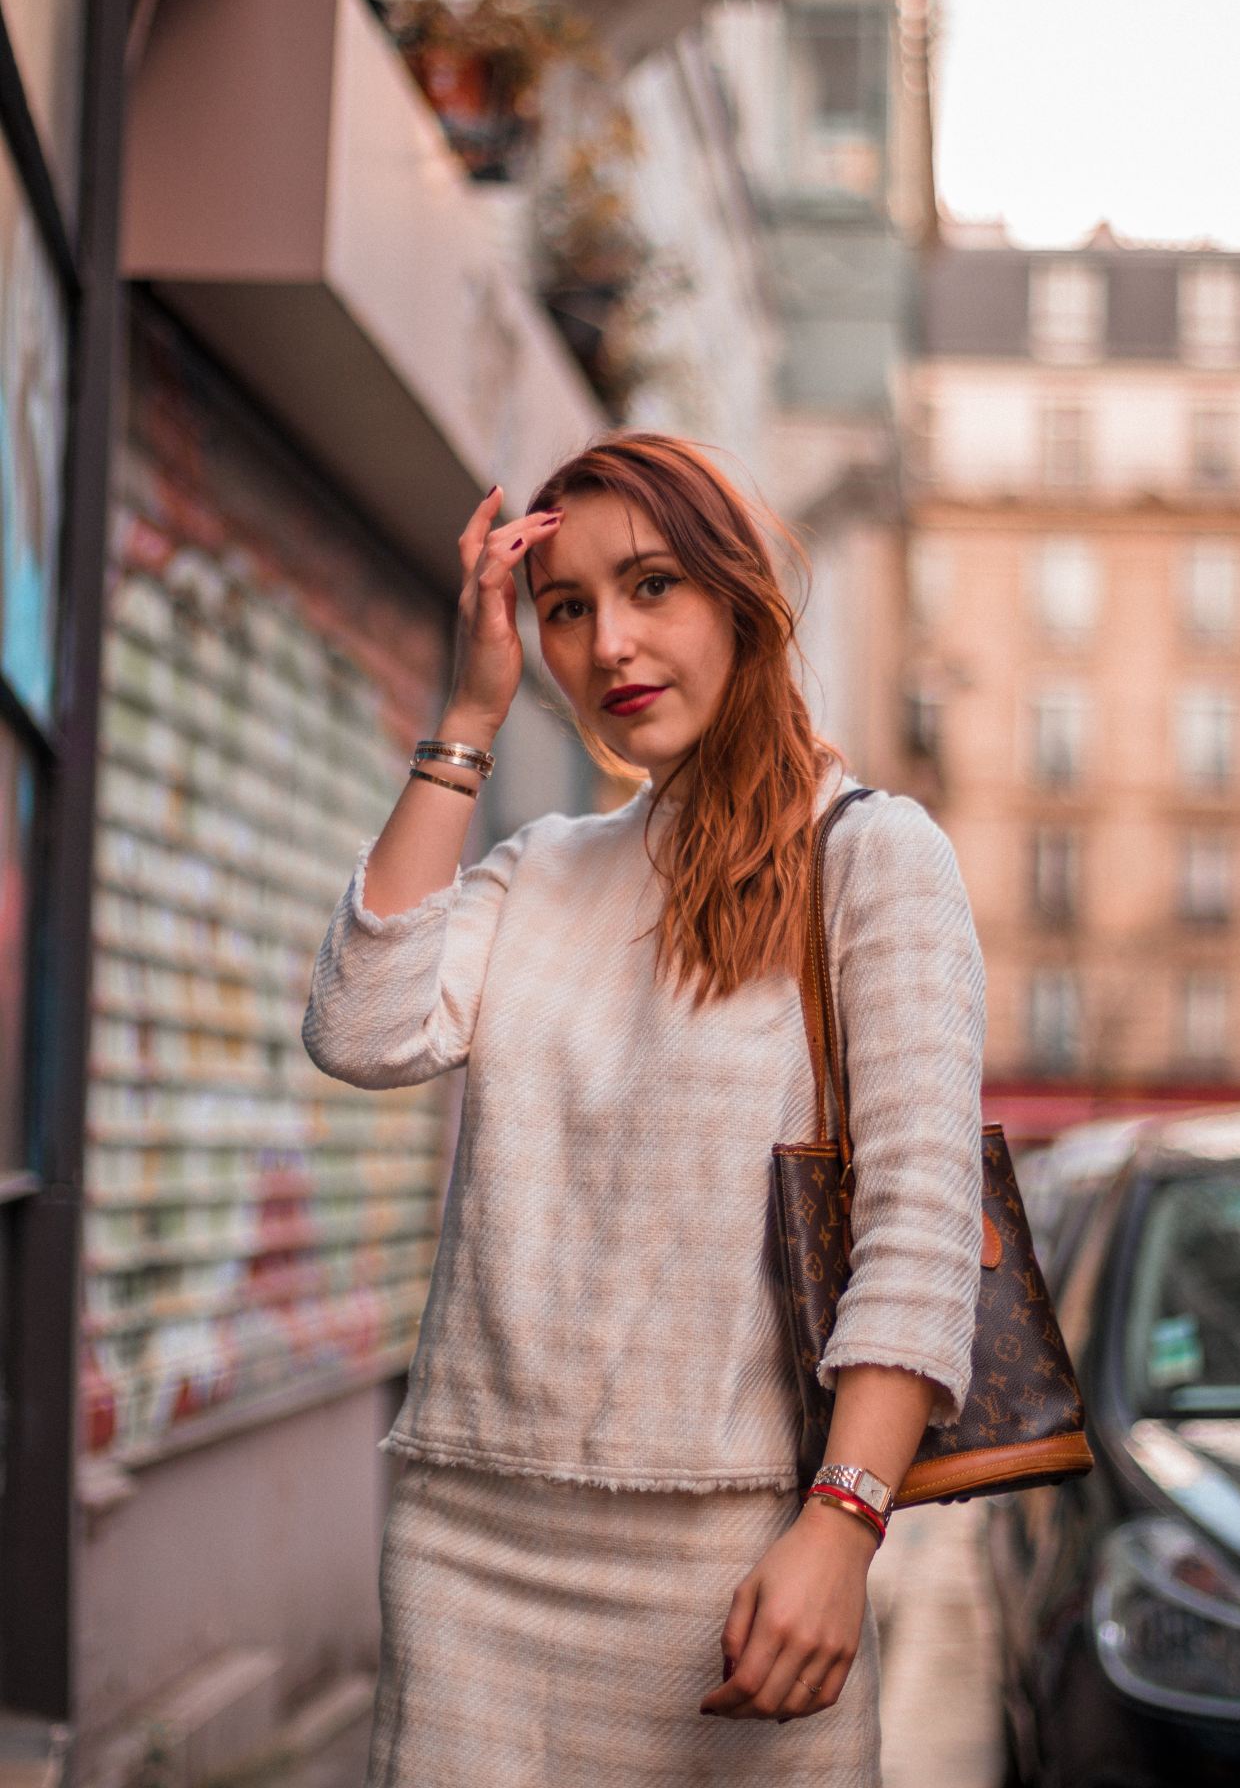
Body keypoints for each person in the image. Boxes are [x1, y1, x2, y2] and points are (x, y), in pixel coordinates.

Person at [302, 432, 986, 1787]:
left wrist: (843, 1526)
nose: (611, 640)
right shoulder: (537, 872)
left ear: (739, 597)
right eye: (566, 608)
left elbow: (919, 1226)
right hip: (468, 1549)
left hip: (738, 1572)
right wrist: (470, 715)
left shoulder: (872, 857)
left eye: (654, 585)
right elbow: (360, 1031)